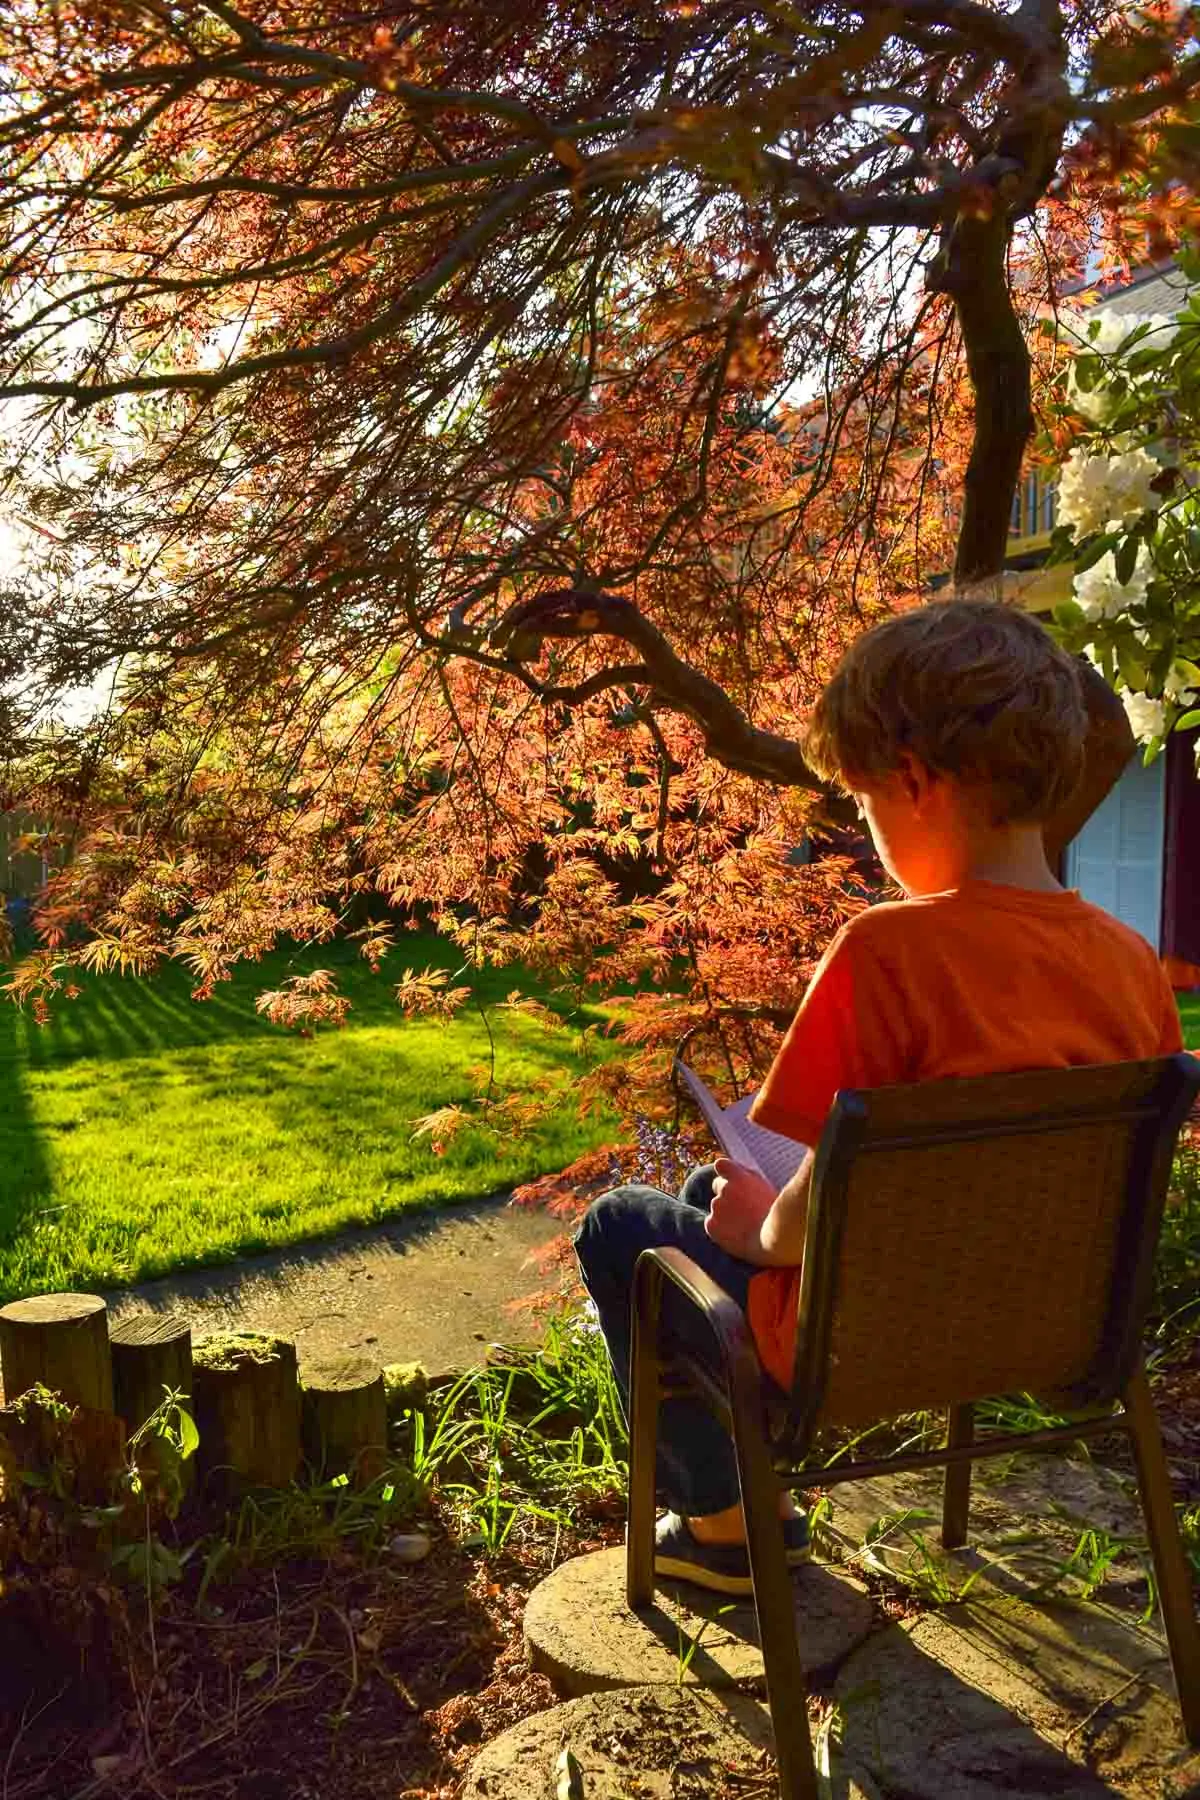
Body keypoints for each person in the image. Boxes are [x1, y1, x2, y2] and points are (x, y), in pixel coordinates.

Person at [575, 598, 1184, 1595]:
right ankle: (747, 1496)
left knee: (625, 1231)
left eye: (861, 802)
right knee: (698, 1199)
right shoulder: (1131, 965)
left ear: (914, 781)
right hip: (1049, 1327)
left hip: (850, 1349)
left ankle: (728, 1524)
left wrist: (762, 1231)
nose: (863, 825)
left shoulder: (886, 953)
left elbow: (805, 1222)